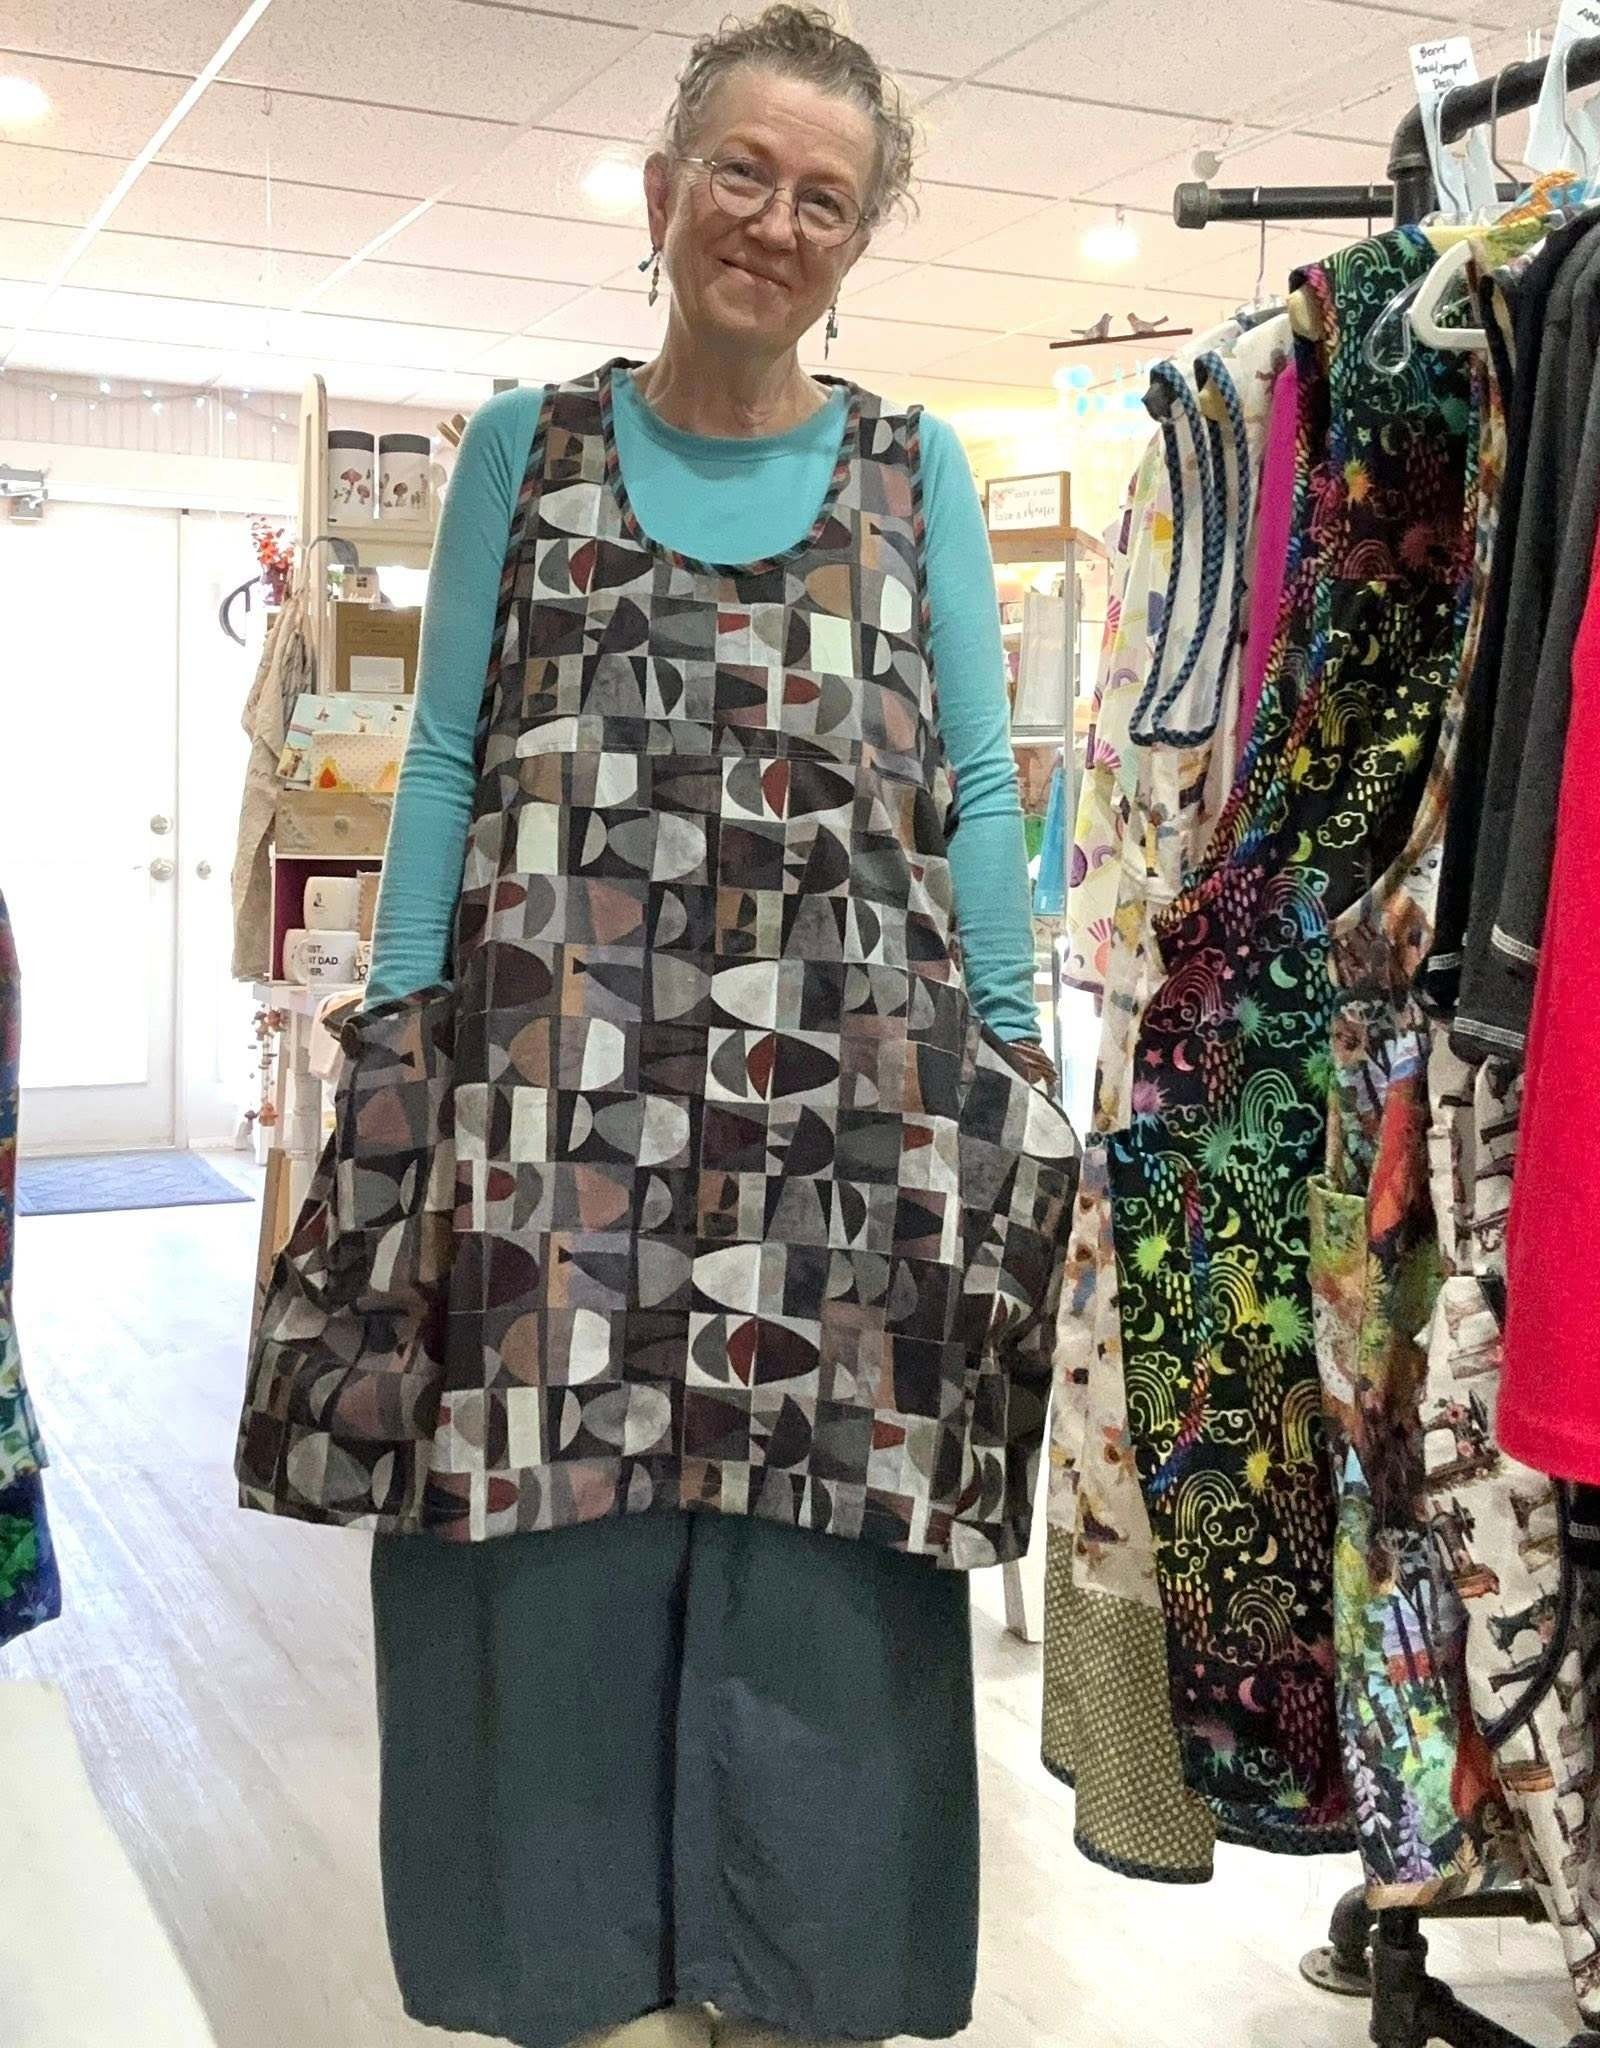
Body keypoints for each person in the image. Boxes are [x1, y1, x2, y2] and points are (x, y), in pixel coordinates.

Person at [364, 10, 1051, 2045]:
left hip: (848, 1125)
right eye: (741, 173)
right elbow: (443, 754)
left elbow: (981, 787)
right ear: (664, 191)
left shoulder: (915, 472)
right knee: (543, 1539)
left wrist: (1009, 1063)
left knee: (826, 1557)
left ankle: (794, 1970)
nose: (773, 221)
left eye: (823, 198)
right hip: (541, 1102)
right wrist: (394, 1044)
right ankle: (577, 1978)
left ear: (859, 243)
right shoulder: (525, 448)